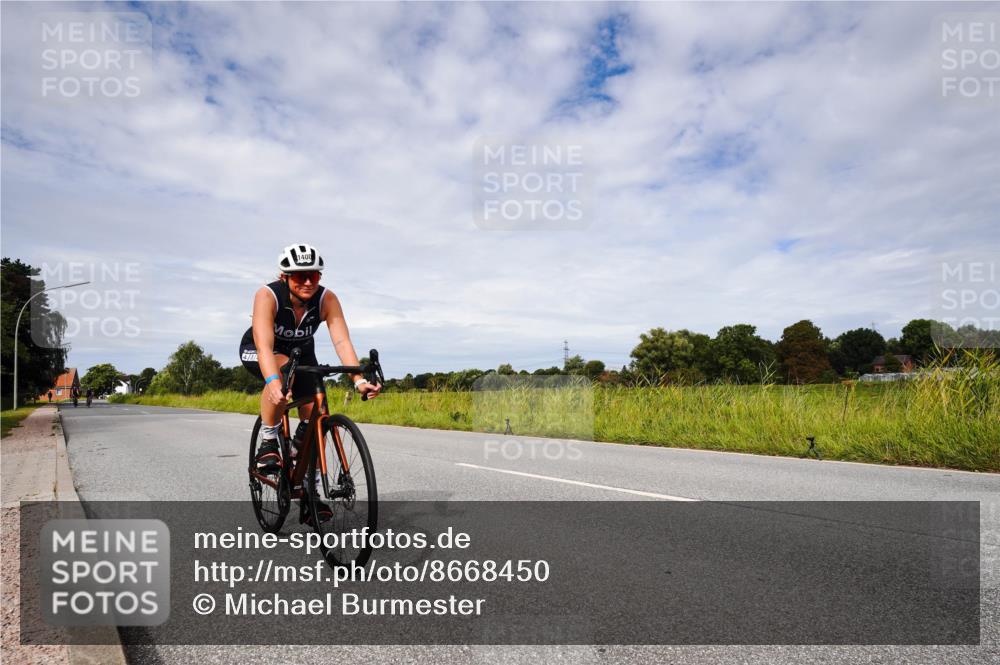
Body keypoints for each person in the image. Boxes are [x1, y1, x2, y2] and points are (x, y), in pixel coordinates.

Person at [239, 243, 381, 476]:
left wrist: (358, 380)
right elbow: (264, 347)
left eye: (313, 275)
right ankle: (268, 440)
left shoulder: (327, 299)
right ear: (284, 277)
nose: (308, 282)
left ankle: (311, 489)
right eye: (300, 276)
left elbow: (342, 342)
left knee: (316, 415)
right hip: (259, 349)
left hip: (302, 352)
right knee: (284, 370)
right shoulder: (267, 295)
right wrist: (274, 382)